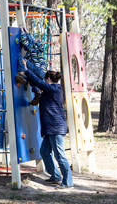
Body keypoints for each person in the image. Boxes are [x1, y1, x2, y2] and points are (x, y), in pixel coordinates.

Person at [17, 58, 74, 189]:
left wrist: (26, 69)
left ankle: (68, 182)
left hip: (56, 127)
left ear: (48, 79)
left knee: (59, 155)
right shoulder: (50, 90)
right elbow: (37, 84)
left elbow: (38, 82)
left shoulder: (54, 89)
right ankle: (55, 176)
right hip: (50, 127)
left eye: (45, 79)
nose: (44, 81)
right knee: (44, 151)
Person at [15, 27, 47, 105]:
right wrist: (27, 32)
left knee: (21, 59)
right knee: (33, 80)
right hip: (43, 72)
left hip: (36, 68)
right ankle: (37, 93)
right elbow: (31, 39)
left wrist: (22, 32)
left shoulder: (31, 47)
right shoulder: (40, 50)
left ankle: (21, 75)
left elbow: (25, 42)